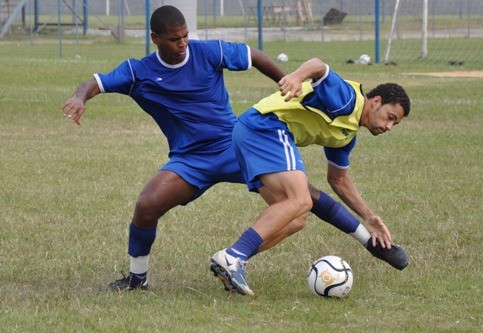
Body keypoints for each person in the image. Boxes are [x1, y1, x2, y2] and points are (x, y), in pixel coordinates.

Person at [61, 6, 407, 293]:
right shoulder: (138, 72)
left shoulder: (208, 52)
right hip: (190, 159)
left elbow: (254, 55)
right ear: (155, 39)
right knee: (147, 206)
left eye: (185, 36)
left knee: (301, 206)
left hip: (232, 144)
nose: (182, 44)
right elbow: (94, 82)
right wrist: (79, 97)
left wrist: (287, 83)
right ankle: (137, 281)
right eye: (174, 39)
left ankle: (236, 259)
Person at [210, 57, 411, 296]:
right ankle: (233, 257)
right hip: (266, 126)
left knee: (296, 218)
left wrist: (368, 218)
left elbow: (338, 180)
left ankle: (235, 259)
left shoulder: (347, 135)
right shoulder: (348, 100)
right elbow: (319, 66)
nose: (389, 127)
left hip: (251, 132)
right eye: (390, 117)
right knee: (301, 199)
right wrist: (296, 77)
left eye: (395, 124)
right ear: (376, 102)